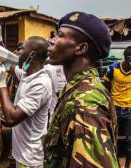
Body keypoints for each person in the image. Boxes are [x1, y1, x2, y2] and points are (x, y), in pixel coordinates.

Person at [43, 12, 119, 168]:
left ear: (81, 48)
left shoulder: (84, 102)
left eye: (60, 36)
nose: (51, 40)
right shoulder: (78, 89)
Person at [0, 36, 52, 168]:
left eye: (22, 49)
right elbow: (10, 63)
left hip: (30, 158)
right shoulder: (27, 73)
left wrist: (1, 83)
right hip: (22, 153)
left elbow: (11, 119)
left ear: (32, 55)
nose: (17, 52)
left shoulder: (40, 83)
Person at [103, 46, 131, 168]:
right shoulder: (113, 68)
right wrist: (109, 100)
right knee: (112, 138)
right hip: (115, 109)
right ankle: (115, 164)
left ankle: (127, 166)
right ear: (129, 58)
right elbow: (105, 83)